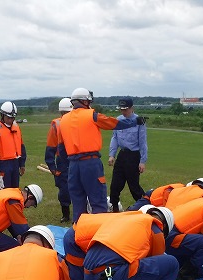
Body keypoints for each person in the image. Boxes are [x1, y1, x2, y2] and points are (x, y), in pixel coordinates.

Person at [58, 88, 144, 222]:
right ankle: (99, 235)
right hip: (90, 163)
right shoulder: (91, 115)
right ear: (85, 101)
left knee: (78, 205)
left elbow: (61, 148)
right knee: (98, 201)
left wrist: (66, 169)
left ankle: (78, 234)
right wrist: (135, 122)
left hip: (73, 166)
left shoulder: (63, 120)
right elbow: (113, 123)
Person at [63, 211, 139, 280]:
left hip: (84, 234)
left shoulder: (134, 221)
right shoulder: (132, 234)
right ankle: (59, 264)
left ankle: (68, 263)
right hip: (75, 240)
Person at [107, 98, 147, 212]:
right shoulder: (118, 120)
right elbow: (114, 138)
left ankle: (146, 206)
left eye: (126, 109)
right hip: (122, 155)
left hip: (133, 156)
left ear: (132, 108)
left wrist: (143, 161)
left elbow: (143, 142)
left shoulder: (139, 121)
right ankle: (114, 208)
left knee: (134, 186)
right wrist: (112, 155)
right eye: (121, 109)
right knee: (115, 185)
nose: (123, 112)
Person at [0, 101, 27, 190]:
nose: (11, 120)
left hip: (15, 163)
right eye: (8, 118)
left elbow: (21, 146)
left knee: (15, 190)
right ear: (2, 115)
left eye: (13, 118)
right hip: (3, 165)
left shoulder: (16, 127)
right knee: (3, 192)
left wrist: (22, 164)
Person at [45, 97, 73, 223]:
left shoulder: (77, 122)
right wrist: (52, 166)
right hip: (62, 161)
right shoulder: (56, 124)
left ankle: (82, 213)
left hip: (76, 159)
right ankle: (66, 214)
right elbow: (50, 146)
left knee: (80, 188)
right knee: (64, 189)